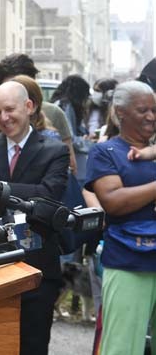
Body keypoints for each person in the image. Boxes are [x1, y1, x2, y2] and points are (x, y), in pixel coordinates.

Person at [0, 81, 69, 355]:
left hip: (38, 267)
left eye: (9, 110)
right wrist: (27, 195)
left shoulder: (55, 151)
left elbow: (49, 202)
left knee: (33, 346)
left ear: (29, 106)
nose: (3, 118)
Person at [86, 80, 156, 355]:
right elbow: (113, 202)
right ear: (121, 112)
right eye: (142, 110)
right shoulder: (105, 152)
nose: (151, 116)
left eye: (154, 109)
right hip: (129, 261)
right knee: (122, 347)